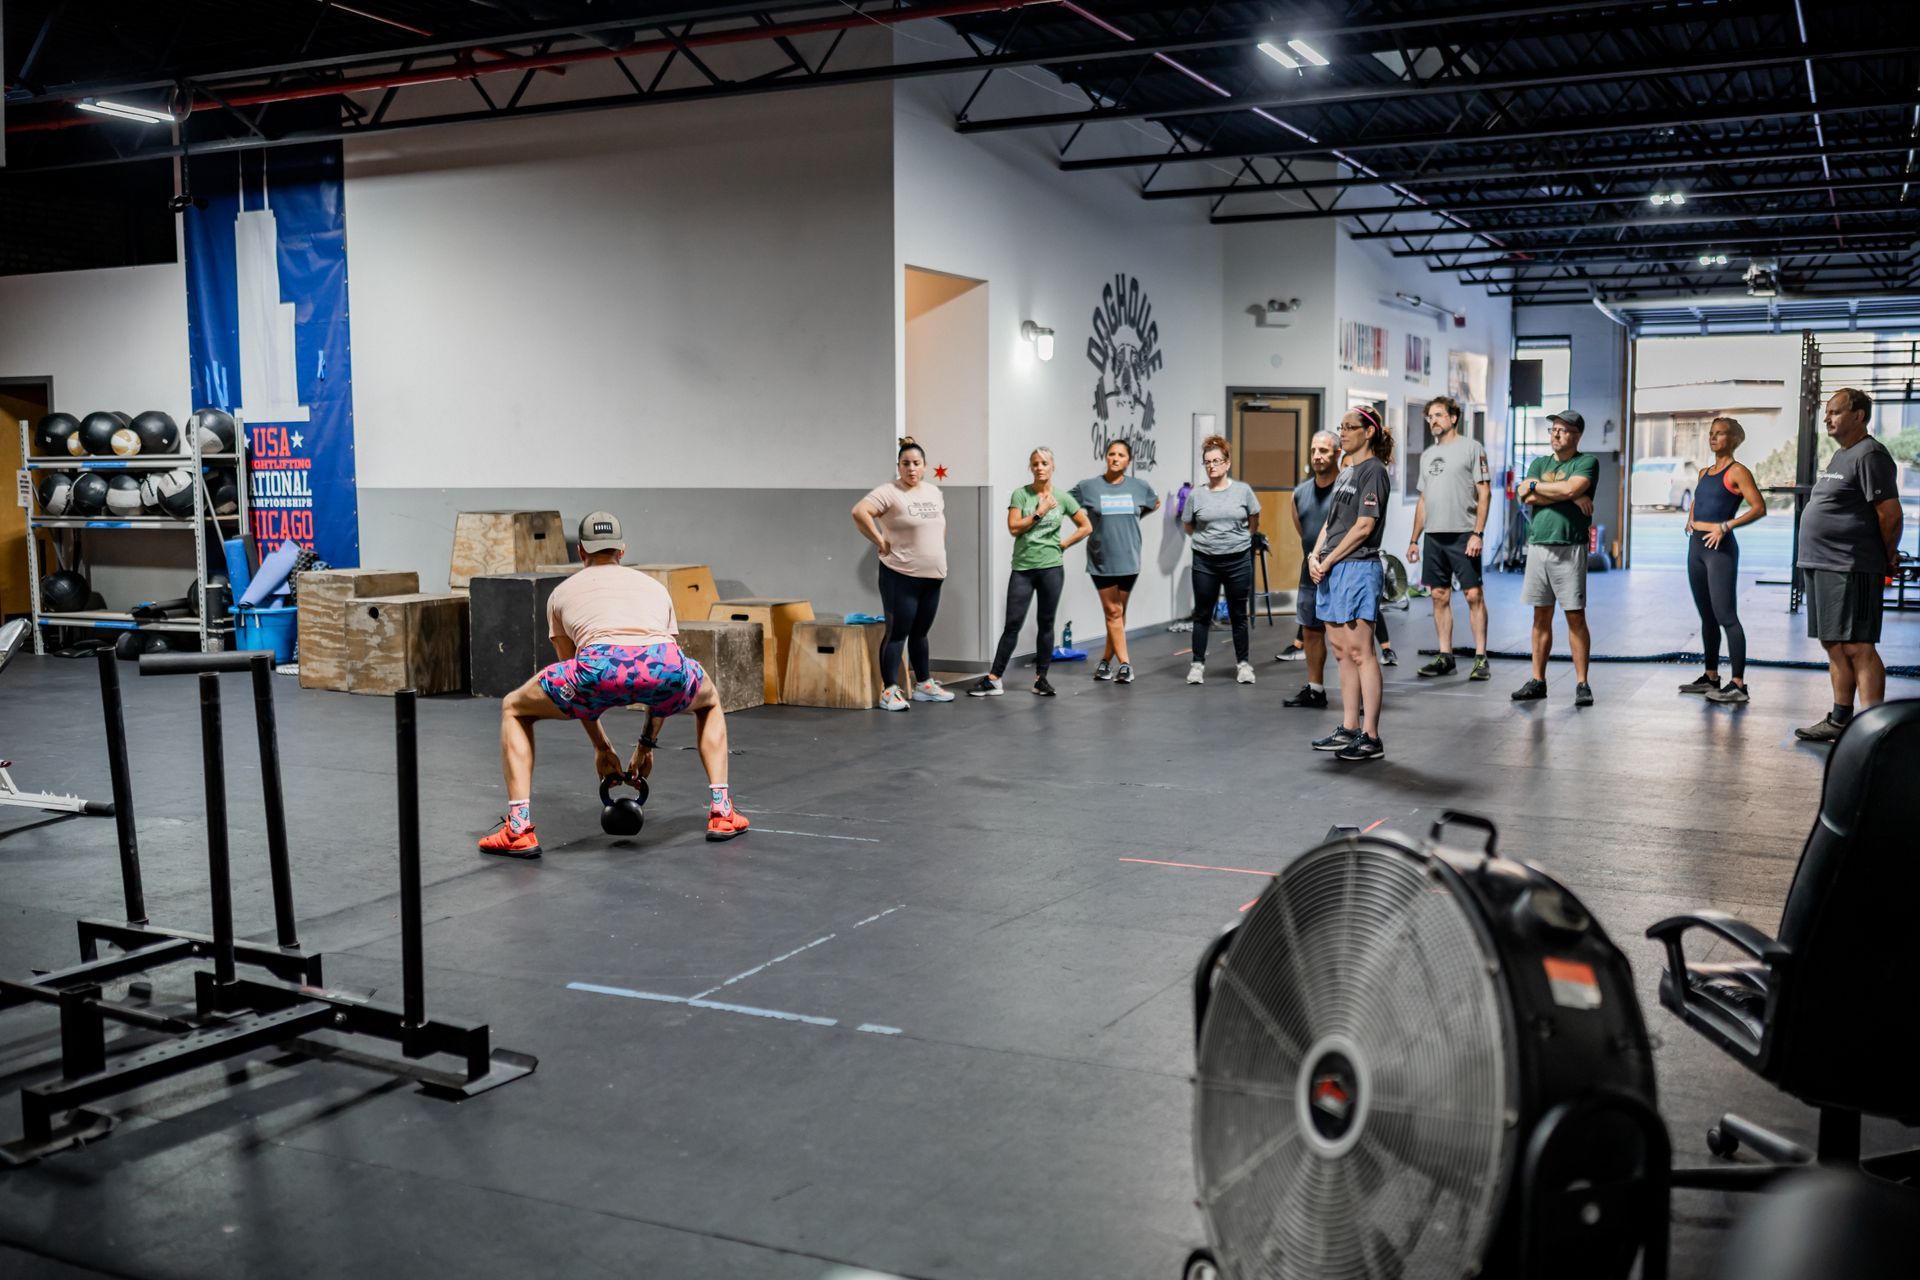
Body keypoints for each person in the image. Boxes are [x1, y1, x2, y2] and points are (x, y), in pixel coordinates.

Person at [479, 511, 748, 857]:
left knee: (514, 708)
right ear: (622, 550)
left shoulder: (560, 594)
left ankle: (518, 828)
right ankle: (723, 812)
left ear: (581, 553)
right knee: (709, 701)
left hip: (598, 668)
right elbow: (658, 669)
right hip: (664, 665)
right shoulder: (655, 587)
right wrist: (647, 744)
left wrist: (601, 746)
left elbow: (575, 679)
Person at [1793, 388, 1903, 742]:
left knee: (1858, 646)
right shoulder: (1843, 454)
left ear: (1859, 415)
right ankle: (1841, 719)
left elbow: (1889, 514)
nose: (1827, 418)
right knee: (1835, 644)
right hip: (1824, 563)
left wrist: (1887, 554)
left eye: (1835, 412)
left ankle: (1873, 728)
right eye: (1827, 413)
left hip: (1851, 565)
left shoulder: (1871, 455)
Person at [1307, 407, 1393, 761]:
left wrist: (1328, 560)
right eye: (1340, 427)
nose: (1342, 433)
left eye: (1349, 427)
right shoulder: (1347, 471)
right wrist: (1314, 556)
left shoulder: (1374, 471)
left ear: (1368, 432)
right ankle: (1349, 728)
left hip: (1357, 568)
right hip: (1332, 568)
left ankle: (1371, 736)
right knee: (1341, 653)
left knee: (1361, 653)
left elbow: (1363, 527)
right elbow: (1331, 523)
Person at [972, 447, 1092, 697]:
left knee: (1046, 623)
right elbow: (1014, 528)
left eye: (1044, 463)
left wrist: (1065, 544)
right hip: (1023, 569)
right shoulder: (1021, 495)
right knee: (1012, 624)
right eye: (1035, 463)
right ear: (1031, 467)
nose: (1040, 467)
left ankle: (1041, 678)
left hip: (1051, 568)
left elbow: (1086, 526)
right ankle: (994, 678)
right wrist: (1040, 511)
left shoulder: (1063, 497)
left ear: (1052, 467)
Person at [853, 438, 955, 712]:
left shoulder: (934, 492)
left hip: (933, 576)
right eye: (906, 464)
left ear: (925, 467)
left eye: (916, 464)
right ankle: (889, 690)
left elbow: (938, 528)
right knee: (898, 633)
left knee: (921, 632)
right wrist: (879, 540)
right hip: (900, 574)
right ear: (899, 466)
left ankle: (924, 685)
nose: (911, 469)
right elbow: (860, 512)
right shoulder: (889, 492)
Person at [1511, 409, 1599, 707]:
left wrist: (1560, 490)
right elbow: (1526, 494)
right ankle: (1538, 680)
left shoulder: (1587, 462)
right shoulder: (1539, 462)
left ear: (1576, 435)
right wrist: (1568, 496)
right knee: (1540, 616)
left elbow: (1571, 486)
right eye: (1553, 430)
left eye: (1562, 430)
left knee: (1575, 616)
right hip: (1538, 547)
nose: (1556, 434)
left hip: (1569, 547)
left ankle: (1582, 683)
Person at [1677, 417, 1766, 705]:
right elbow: (1699, 499)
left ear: (1734, 439)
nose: (1713, 438)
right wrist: (1691, 517)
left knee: (1726, 616)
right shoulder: (1705, 472)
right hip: (1696, 547)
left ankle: (1738, 684)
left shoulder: (1737, 471)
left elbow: (1759, 508)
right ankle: (1711, 676)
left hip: (1719, 549)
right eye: (1712, 433)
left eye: (1720, 434)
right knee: (1707, 616)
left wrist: (1725, 526)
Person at [1407, 396, 1492, 681]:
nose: (1434, 420)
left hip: (1463, 533)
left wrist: (1477, 533)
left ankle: (1480, 658)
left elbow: (1484, 493)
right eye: (1430, 416)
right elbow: (1423, 500)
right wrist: (1414, 539)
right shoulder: (1427, 455)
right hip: (1434, 536)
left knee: (1473, 595)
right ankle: (1446, 657)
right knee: (1439, 595)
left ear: (1453, 418)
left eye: (1439, 415)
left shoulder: (1472, 448)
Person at [1070, 439, 1160, 683]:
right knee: (1113, 611)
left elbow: (1155, 502)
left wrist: (1134, 518)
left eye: (1120, 455)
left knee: (1118, 614)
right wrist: (1083, 525)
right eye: (1111, 454)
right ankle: (1125, 665)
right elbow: (1069, 504)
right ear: (1106, 458)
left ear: (1128, 460)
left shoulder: (1140, 486)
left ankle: (1104, 663)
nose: (1115, 458)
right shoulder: (1089, 487)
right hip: (1101, 559)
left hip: (1129, 557)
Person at [1182, 435, 1261, 685]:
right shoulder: (1197, 495)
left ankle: (1244, 665)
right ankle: (1197, 665)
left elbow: (1254, 519)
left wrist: (1239, 539)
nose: (1212, 466)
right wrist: (1208, 542)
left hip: (1237, 560)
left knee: (1239, 614)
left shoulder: (1242, 491)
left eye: (1217, 461)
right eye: (1207, 462)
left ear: (1227, 463)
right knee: (1202, 614)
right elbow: (1188, 525)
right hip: (1205, 561)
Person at [1281, 430, 1340, 709]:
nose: (1318, 456)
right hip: (1311, 571)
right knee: (1311, 632)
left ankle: (1360, 693)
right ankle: (1316, 690)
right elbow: (1304, 532)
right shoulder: (1300, 493)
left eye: (1324, 451)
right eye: (1314, 450)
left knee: (1346, 636)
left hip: (1342, 572)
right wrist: (1314, 560)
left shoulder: (1346, 488)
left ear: (1337, 453)